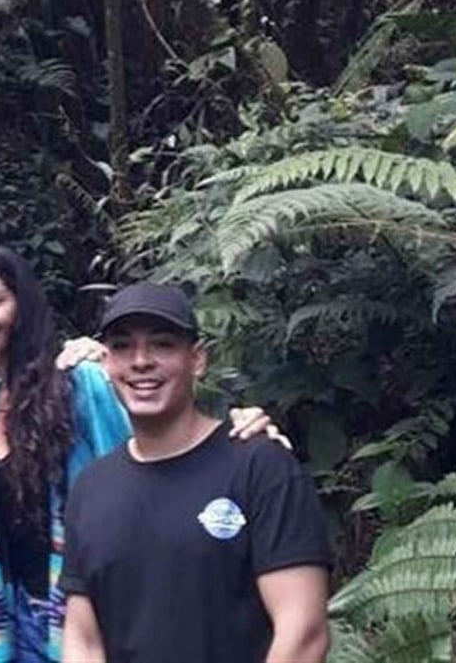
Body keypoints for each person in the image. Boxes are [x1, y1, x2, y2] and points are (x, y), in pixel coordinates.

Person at [0, 248, 286, 663]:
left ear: (24, 305)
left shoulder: (78, 382)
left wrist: (241, 436)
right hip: (15, 615)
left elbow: (155, 455)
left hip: (92, 609)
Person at [60, 283, 331, 663]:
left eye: (162, 344)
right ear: (106, 363)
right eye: (122, 346)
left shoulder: (260, 467)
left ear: (198, 359)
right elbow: (83, 640)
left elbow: (303, 633)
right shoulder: (91, 487)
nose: (141, 361)